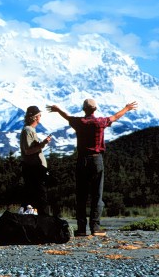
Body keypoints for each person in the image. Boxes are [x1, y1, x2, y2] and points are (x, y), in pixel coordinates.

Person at [46, 99, 138, 236]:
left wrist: (57, 109)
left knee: (81, 195)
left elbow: (67, 117)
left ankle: (81, 229)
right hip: (96, 160)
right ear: (95, 109)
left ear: (84, 109)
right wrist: (126, 108)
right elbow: (115, 117)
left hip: (82, 159)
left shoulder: (79, 122)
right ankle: (95, 227)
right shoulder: (100, 122)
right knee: (97, 194)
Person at [19, 106, 52, 216]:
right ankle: (44, 219)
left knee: (36, 196)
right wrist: (43, 144)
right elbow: (28, 151)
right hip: (33, 168)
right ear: (34, 118)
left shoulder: (30, 130)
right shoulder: (28, 130)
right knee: (40, 196)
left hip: (35, 168)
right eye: (39, 116)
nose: (40, 118)